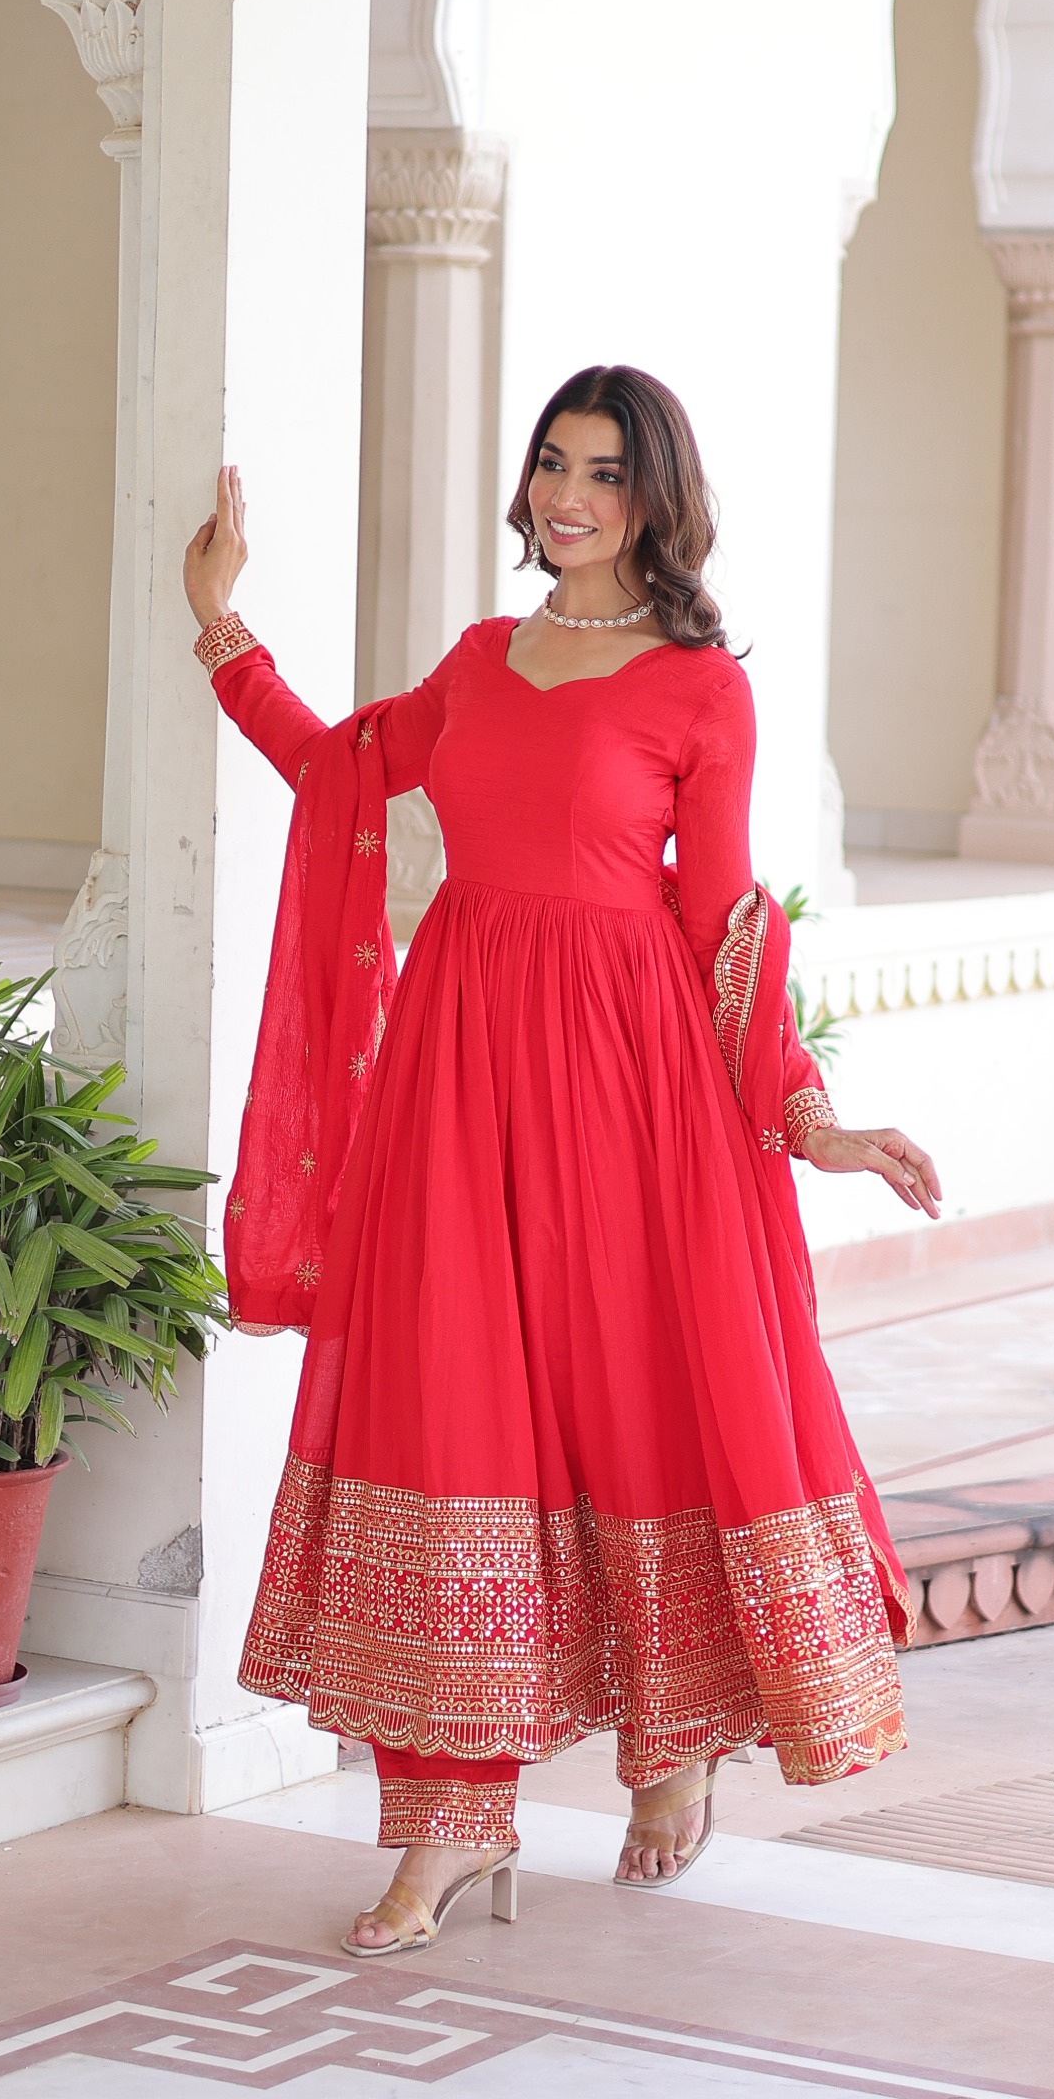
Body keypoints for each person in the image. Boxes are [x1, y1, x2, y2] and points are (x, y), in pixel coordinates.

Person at [183, 363, 940, 1960]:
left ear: (655, 499)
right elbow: (337, 771)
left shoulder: (700, 689)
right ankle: (451, 1821)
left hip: (626, 1088)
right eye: (550, 463)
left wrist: (811, 1119)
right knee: (449, 1405)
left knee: (635, 1400)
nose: (568, 495)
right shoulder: (477, 662)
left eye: (603, 470)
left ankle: (674, 1746)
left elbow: (723, 922)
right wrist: (223, 627)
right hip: (456, 1081)